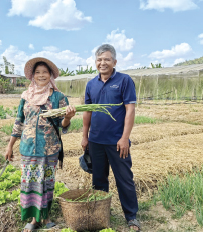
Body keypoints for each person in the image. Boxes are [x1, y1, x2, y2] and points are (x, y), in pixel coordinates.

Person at [4, 57, 76, 232]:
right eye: (38, 72)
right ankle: (35, 218)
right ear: (33, 76)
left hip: (49, 148)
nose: (41, 75)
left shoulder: (58, 97)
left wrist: (67, 117)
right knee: (30, 183)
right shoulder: (26, 97)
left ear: (50, 75)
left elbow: (62, 125)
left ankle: (45, 216)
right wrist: (10, 145)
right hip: (28, 147)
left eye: (45, 72)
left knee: (46, 183)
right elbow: (19, 122)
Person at [81, 44, 140, 231]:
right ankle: (101, 214)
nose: (102, 63)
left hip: (117, 142)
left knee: (124, 179)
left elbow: (130, 110)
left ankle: (131, 217)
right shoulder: (91, 84)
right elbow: (87, 112)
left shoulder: (124, 80)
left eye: (106, 59)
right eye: (99, 60)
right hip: (96, 141)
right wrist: (85, 136)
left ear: (114, 62)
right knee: (98, 180)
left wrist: (124, 138)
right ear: (95, 62)